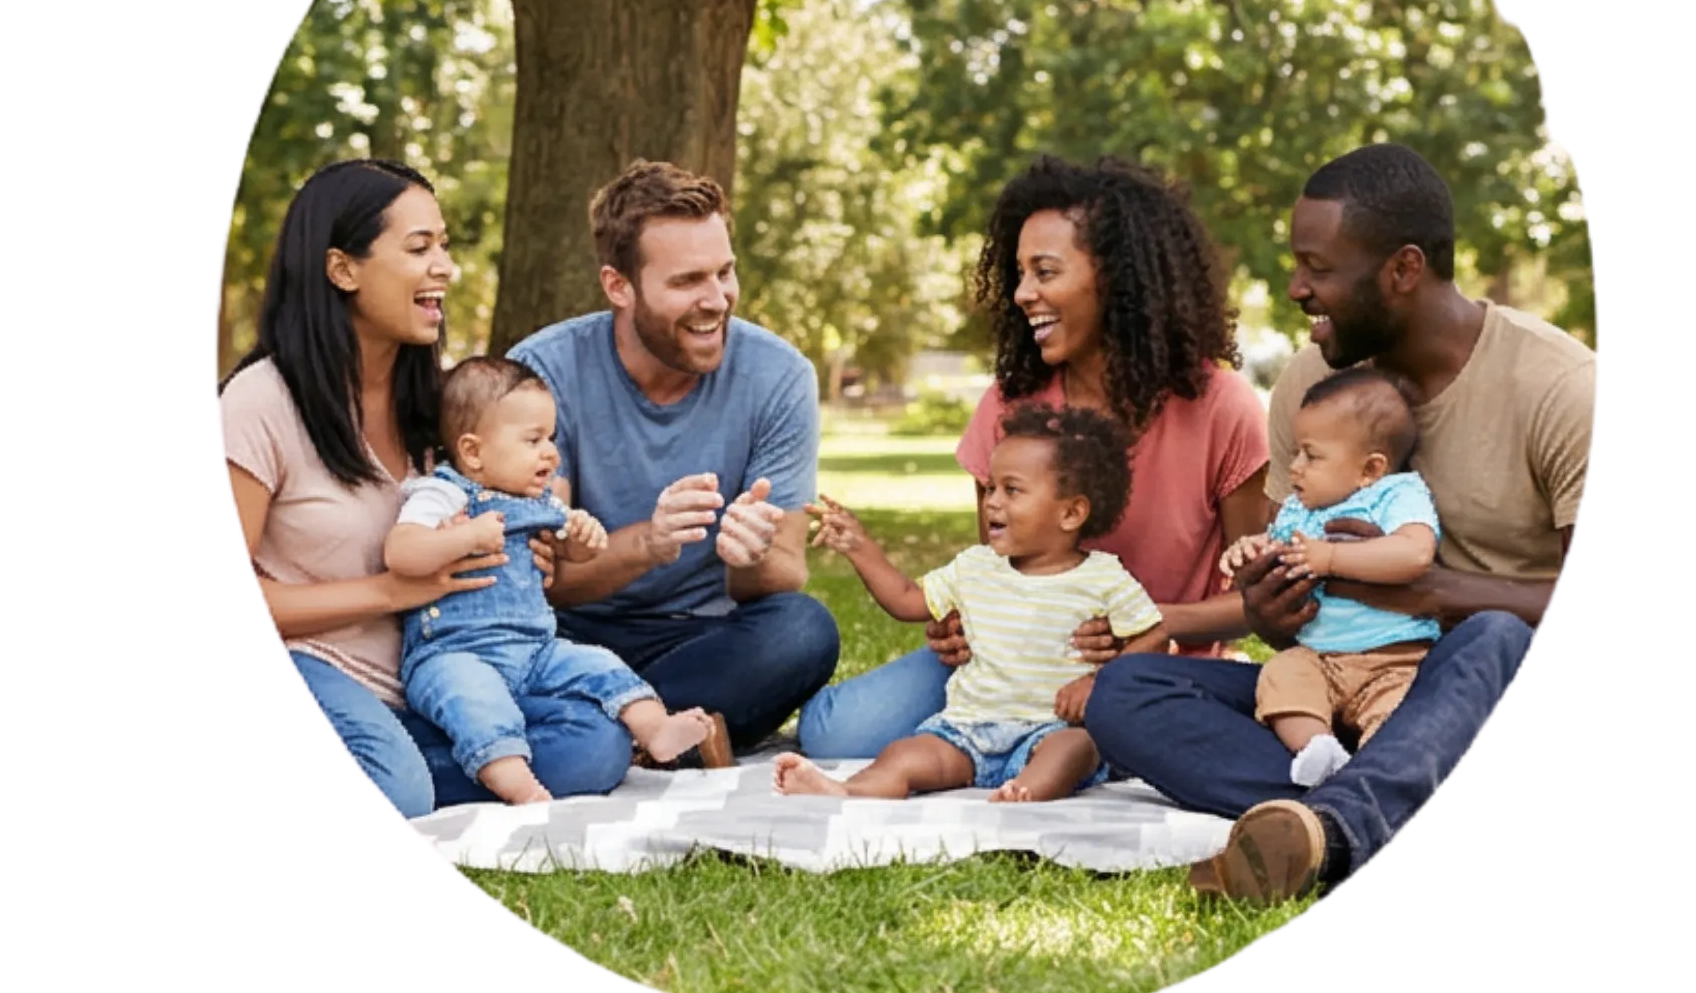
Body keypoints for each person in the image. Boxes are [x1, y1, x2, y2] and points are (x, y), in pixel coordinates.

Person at [1083, 142, 1598, 903]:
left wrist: (1432, 595)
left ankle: (1333, 830)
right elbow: (1290, 622)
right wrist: (1270, 606)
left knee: (1495, 634)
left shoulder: (1561, 391)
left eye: (1318, 269)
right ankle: (1356, 813)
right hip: (1341, 700)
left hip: (1476, 688)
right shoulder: (1311, 382)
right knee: (1126, 692)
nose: (1296, 289)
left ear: (1403, 270)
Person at [796, 155, 1271, 758]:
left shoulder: (1222, 407)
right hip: (1010, 668)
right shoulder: (1008, 409)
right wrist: (958, 624)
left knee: (1140, 732)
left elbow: (1256, 603)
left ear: (1118, 277)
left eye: (1045, 272)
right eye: (1019, 273)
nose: (1023, 294)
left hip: (1155, 671)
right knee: (836, 734)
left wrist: (1149, 625)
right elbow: (999, 564)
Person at [218, 159, 635, 820]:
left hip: (435, 672)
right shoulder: (261, 403)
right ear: (342, 269)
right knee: (403, 787)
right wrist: (389, 591)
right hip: (318, 665)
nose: (444, 266)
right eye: (419, 248)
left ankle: (414, 761)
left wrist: (533, 549)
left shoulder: (439, 406)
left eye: (444, 245)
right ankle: (407, 770)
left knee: (596, 742)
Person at [508, 161, 841, 752]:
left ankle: (603, 732)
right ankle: (650, 732)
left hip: (698, 640)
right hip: (566, 636)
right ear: (619, 286)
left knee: (804, 630)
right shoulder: (543, 372)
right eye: (688, 281)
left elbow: (786, 573)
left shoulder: (779, 376)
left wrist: (748, 555)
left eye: (725, 272)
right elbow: (545, 580)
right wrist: (651, 543)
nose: (717, 300)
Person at [777, 405, 1168, 803]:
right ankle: (847, 790)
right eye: (991, 487)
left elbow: (1155, 636)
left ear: (1071, 513)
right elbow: (907, 601)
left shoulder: (1103, 577)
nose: (992, 502)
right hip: (968, 730)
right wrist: (860, 547)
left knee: (1074, 749)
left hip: (1050, 728)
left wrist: (1097, 683)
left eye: (1011, 490)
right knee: (905, 754)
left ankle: (1024, 793)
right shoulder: (975, 566)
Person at [388, 357, 732, 804]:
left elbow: (570, 549)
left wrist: (584, 541)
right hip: (455, 653)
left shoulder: (538, 500)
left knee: (600, 665)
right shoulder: (443, 492)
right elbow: (400, 552)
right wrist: (466, 536)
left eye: (550, 438)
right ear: (472, 452)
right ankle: (521, 788)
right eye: (533, 440)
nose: (550, 452)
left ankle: (656, 729)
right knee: (479, 706)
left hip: (536, 649)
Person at [1217, 366, 1441, 790]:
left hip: (1393, 659)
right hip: (1319, 658)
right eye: (1297, 453)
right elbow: (1277, 549)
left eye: (1311, 455)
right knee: (1281, 675)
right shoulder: (1301, 509)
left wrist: (1332, 558)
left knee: (1400, 715)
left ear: (1370, 469)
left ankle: (1383, 778)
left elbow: (1415, 552)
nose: (1295, 467)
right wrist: (1249, 551)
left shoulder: (1395, 494)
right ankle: (1320, 752)